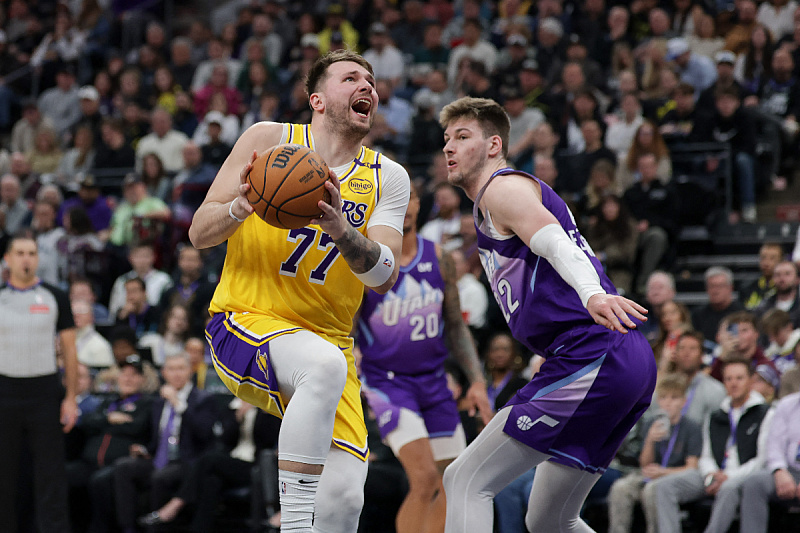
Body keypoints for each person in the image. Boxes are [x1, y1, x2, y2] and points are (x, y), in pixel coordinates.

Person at [188, 49, 410, 533]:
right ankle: (293, 524)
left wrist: (343, 231)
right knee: (321, 365)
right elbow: (198, 233)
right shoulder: (267, 140)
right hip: (245, 320)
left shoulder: (388, 177)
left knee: (347, 500)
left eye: (371, 81)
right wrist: (240, 207)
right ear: (317, 99)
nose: (367, 86)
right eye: (351, 77)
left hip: (330, 342)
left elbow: (385, 275)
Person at [437, 96, 657, 533]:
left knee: (464, 479)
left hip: (593, 352)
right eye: (446, 139)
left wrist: (593, 293)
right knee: (550, 519)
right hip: (617, 358)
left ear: (495, 144)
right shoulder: (491, 206)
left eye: (463, 137)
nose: (449, 148)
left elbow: (554, 241)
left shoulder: (502, 187)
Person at [357, 184, 491, 533]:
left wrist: (476, 379)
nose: (403, 207)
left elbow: (456, 328)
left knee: (451, 480)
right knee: (424, 477)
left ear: (418, 204)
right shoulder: (367, 262)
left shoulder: (441, 258)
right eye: (393, 201)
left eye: (409, 198)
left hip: (433, 381)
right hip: (388, 383)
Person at [0, 233, 80, 533]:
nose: (26, 259)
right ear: (7, 259)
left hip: (45, 393)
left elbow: (70, 351)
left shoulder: (55, 296)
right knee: (4, 474)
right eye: (20, 253)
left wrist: (71, 398)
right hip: (4, 391)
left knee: (51, 474)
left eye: (32, 253)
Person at [607, 373, 702, 533]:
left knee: (654, 489)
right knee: (620, 488)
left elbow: (692, 467)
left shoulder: (691, 427)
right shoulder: (651, 422)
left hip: (674, 478)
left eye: (674, 398)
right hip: (650, 475)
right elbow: (645, 464)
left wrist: (663, 472)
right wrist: (650, 440)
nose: (668, 403)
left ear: (683, 402)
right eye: (664, 398)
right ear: (658, 401)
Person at [739, 390, 800, 533]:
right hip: (789, 471)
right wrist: (779, 470)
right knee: (754, 483)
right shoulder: (787, 405)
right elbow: (774, 444)